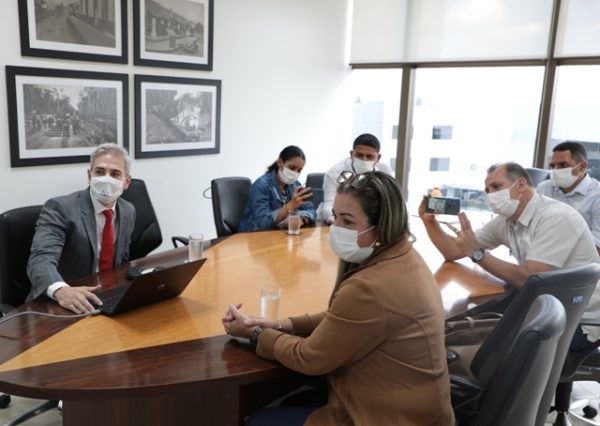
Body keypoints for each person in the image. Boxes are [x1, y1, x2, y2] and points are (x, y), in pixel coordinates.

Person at [224, 171, 454, 425]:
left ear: (381, 225)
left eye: (348, 221)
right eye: (335, 217)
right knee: (293, 402)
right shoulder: (404, 256)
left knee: (256, 420)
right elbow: (343, 318)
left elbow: (308, 357)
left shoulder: (371, 287)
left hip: (388, 416)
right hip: (411, 407)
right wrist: (279, 324)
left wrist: (256, 333)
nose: (336, 228)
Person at [419, 162, 600, 346]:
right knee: (466, 332)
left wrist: (477, 254)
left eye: (496, 187)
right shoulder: (505, 222)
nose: (491, 195)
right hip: (546, 307)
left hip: (578, 320)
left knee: (476, 341)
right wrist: (429, 222)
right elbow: (453, 251)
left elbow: (529, 278)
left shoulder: (556, 217)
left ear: (520, 185)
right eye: (487, 191)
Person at [27, 143, 135, 314]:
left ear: (126, 182)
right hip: (61, 302)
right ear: (89, 175)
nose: (106, 178)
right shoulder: (60, 208)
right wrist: (60, 290)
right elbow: (40, 260)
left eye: (115, 174)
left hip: (105, 297)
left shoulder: (128, 210)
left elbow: (122, 260)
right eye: (100, 172)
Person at [536, 141, 600, 253]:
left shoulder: (597, 194)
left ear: (582, 166)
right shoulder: (544, 188)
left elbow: (597, 244)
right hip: (543, 251)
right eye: (552, 166)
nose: (555, 170)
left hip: (581, 259)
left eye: (563, 165)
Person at [239, 145, 316, 232]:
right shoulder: (261, 185)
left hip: (279, 233)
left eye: (299, 170)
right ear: (280, 163)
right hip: (253, 234)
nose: (295, 173)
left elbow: (312, 210)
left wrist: (302, 219)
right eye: (292, 168)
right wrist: (289, 207)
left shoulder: (295, 185)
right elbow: (263, 222)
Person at [321, 133, 393, 224]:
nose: (364, 160)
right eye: (359, 155)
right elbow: (329, 206)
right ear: (352, 154)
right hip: (343, 220)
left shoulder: (384, 171)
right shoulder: (335, 173)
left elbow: (390, 203)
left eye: (369, 156)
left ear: (378, 158)